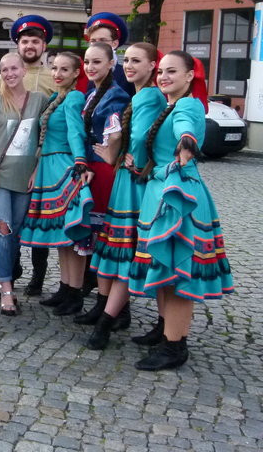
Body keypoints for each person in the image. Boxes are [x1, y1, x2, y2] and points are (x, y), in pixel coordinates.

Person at [128, 51, 233, 370]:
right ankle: (165, 330)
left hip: (178, 194)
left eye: (172, 71)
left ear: (190, 77)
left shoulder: (187, 104)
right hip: (160, 190)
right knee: (163, 267)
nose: (163, 77)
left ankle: (175, 346)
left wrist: (186, 141)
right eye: (161, 71)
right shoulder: (169, 103)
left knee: (176, 272)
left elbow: (186, 128)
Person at [84, 43, 166, 349]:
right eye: (127, 60)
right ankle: (153, 322)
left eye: (136, 61)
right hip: (127, 179)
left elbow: (140, 137)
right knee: (119, 249)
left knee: (126, 252)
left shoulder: (146, 96)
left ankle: (107, 321)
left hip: (134, 184)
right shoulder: (140, 95)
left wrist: (124, 155)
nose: (129, 66)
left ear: (151, 66)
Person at [20, 51, 93, 317]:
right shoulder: (56, 97)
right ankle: (65, 288)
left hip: (63, 166)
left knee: (71, 234)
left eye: (64, 69)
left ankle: (75, 293)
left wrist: (80, 162)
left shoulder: (73, 97)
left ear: (76, 73)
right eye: (55, 68)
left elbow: (75, 131)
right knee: (62, 237)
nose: (58, 74)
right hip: (47, 168)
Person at [0, 52, 49, 315]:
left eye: (14, 68)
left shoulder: (40, 101)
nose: (10, 74)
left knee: (15, 232)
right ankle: (7, 289)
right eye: (4, 70)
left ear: (23, 70)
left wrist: (37, 170)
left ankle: (1, 278)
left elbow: (44, 138)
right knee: (2, 229)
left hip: (25, 175)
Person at [0, 15, 56, 296]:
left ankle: (38, 276)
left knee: (39, 218)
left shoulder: (53, 77)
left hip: (40, 158)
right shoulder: (4, 76)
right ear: (17, 45)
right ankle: (11, 269)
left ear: (44, 45)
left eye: (35, 41)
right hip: (10, 161)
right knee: (11, 221)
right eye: (24, 41)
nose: (30, 45)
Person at [74, 42, 131, 324]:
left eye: (97, 62)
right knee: (99, 239)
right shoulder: (93, 92)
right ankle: (103, 304)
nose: (90, 67)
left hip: (106, 172)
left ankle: (118, 309)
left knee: (109, 239)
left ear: (111, 64)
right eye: (87, 61)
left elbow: (115, 131)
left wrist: (108, 154)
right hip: (94, 170)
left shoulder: (115, 95)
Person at [84, 12, 135, 97]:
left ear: (114, 44)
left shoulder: (126, 76)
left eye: (102, 40)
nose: (97, 45)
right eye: (93, 41)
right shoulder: (90, 74)